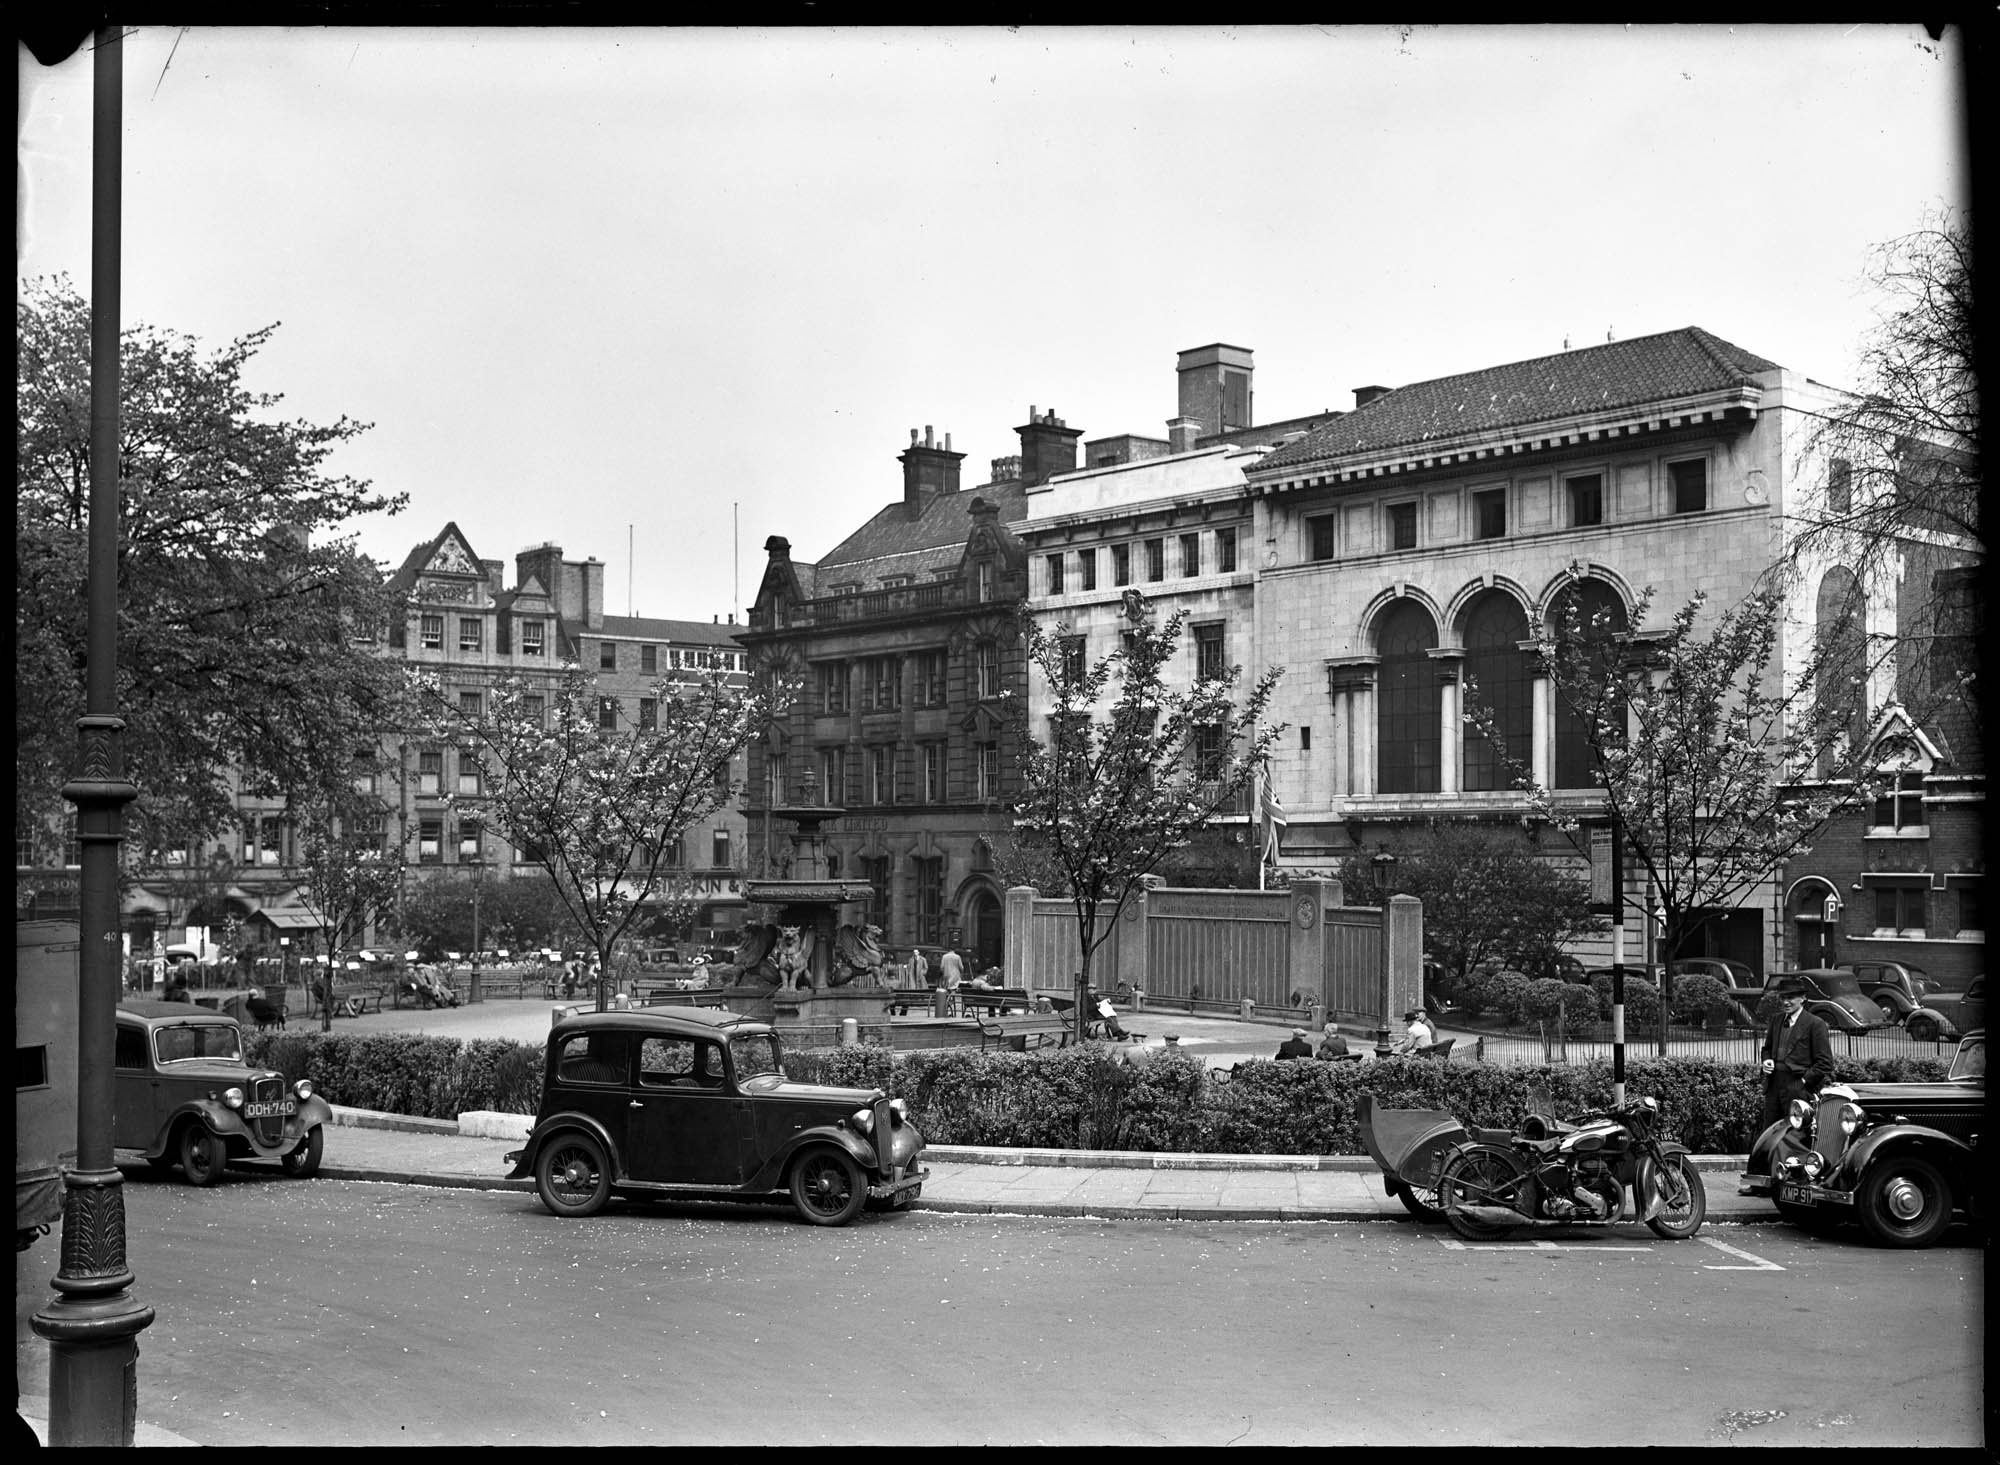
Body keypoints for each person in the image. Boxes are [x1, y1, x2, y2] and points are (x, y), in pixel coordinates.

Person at [1760, 975, 1835, 1130]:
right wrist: (1767, 1060)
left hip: (1797, 1086)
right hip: (1774, 1085)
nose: (1786, 1002)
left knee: (1795, 1133)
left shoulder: (1815, 1024)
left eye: (1791, 997)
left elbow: (1825, 1063)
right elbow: (1767, 1049)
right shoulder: (1776, 1020)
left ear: (1803, 998)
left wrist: (1802, 1082)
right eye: (1783, 997)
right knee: (1771, 1132)